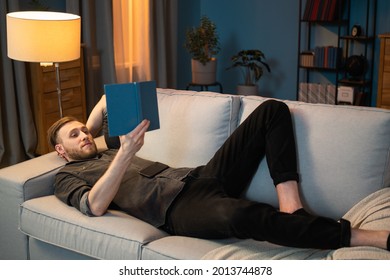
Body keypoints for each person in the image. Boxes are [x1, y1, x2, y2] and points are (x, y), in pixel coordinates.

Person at [49, 97, 390, 251]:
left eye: (84, 130)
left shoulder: (104, 144)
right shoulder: (67, 176)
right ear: (60, 151)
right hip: (175, 210)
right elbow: (93, 205)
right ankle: (364, 238)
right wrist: (124, 154)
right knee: (244, 214)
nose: (85, 136)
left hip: (199, 177)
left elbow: (107, 99)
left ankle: (291, 205)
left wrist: (86, 126)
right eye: (74, 136)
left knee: (271, 110)